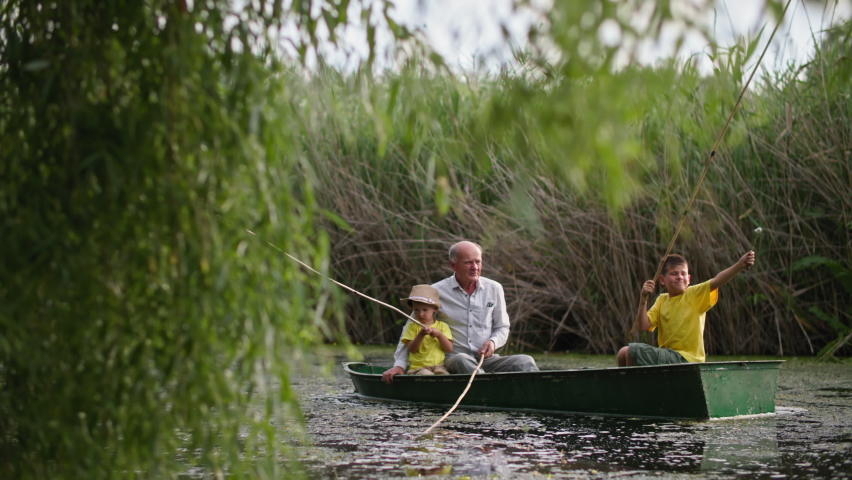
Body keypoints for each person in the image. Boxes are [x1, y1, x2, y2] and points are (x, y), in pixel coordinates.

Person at [382, 241, 539, 383]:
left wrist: (493, 342)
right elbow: (412, 327)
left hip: (486, 360)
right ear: (453, 265)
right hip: (452, 360)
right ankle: (489, 390)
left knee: (525, 361)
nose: (475, 267)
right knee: (462, 359)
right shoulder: (436, 291)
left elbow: (502, 327)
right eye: (468, 262)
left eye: (478, 262)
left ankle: (536, 396)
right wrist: (399, 366)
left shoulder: (495, 288)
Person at [616, 251, 756, 367]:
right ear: (663, 280)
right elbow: (644, 325)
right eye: (674, 274)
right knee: (623, 352)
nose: (679, 277)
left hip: (687, 359)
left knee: (631, 352)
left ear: (689, 279)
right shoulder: (661, 300)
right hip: (668, 356)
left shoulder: (694, 294)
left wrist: (740, 264)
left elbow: (717, 280)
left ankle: (635, 390)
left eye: (683, 274)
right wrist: (643, 300)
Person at [399, 284, 454, 375]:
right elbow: (412, 349)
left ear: (434, 309)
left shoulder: (442, 326)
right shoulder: (412, 326)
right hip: (418, 369)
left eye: (425, 310)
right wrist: (421, 334)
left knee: (444, 376)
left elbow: (449, 349)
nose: (420, 314)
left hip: (438, 367)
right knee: (426, 375)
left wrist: (439, 335)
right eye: (416, 310)